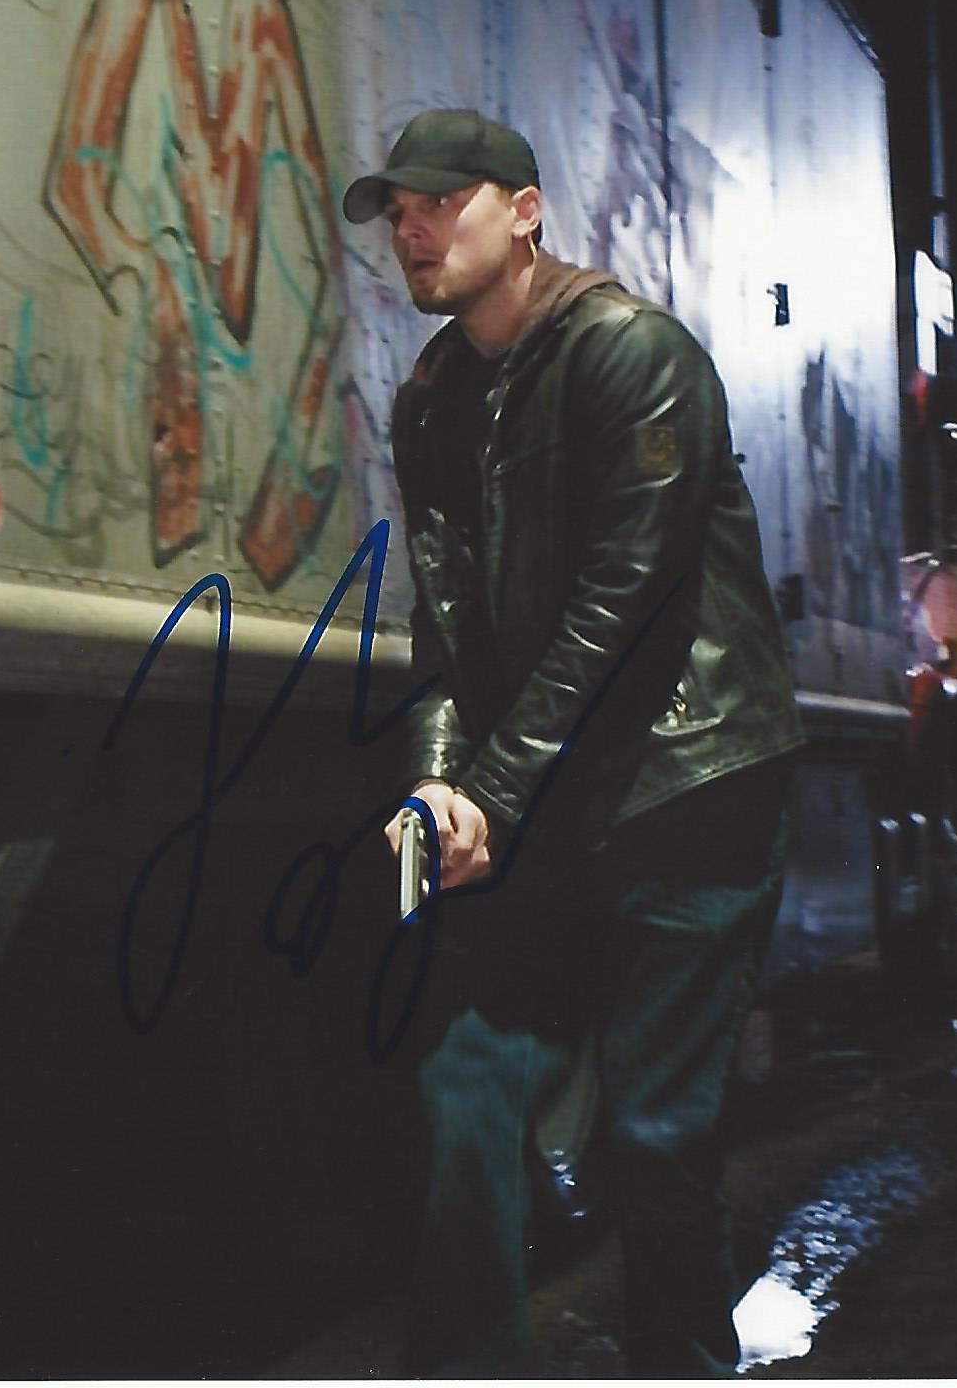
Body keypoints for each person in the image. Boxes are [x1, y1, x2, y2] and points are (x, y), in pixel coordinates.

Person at [343, 108, 805, 1376]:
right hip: (545, 794)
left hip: (685, 783)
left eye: (441, 203)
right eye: (398, 214)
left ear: (524, 209)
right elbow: (444, 623)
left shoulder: (632, 353)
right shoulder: (433, 397)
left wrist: (490, 790)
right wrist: (436, 781)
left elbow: (627, 599)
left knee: (656, 1136)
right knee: (464, 1084)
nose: (413, 231)